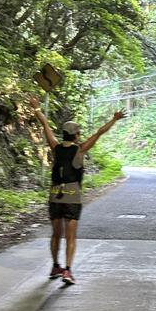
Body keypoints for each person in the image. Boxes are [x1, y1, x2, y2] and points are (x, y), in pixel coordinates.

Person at [28, 96, 125, 285]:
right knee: (70, 235)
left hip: (55, 195)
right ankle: (68, 270)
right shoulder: (80, 149)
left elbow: (45, 125)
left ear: (63, 133)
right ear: (76, 135)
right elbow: (99, 133)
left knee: (56, 233)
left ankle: (55, 265)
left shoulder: (55, 147)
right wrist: (114, 119)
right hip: (72, 197)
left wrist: (37, 108)